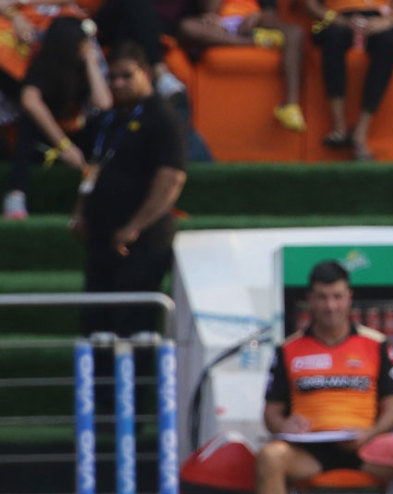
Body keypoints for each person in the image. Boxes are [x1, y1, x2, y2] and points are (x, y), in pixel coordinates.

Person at [257, 261, 393, 494]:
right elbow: (270, 413)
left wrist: (370, 433)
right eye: (322, 297)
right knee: (269, 457)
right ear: (310, 299)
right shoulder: (287, 349)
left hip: (366, 448)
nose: (330, 306)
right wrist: (285, 425)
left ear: (349, 297)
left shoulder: (376, 344)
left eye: (337, 297)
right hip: (308, 454)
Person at [74, 41, 184, 336]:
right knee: (96, 326)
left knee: (132, 325)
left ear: (145, 73)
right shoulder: (108, 119)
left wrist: (135, 226)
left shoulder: (163, 118)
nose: (118, 83)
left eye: (127, 75)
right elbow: (94, 166)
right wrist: (81, 209)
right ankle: (101, 370)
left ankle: (136, 370)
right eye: (112, 77)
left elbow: (171, 179)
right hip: (102, 237)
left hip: (142, 242)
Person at [3, 16, 110, 220]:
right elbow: (30, 101)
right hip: (46, 141)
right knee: (28, 124)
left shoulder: (83, 69)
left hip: (76, 137)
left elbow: (103, 103)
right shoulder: (44, 65)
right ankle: (16, 196)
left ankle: (103, 194)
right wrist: (64, 145)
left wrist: (91, 62)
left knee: (105, 122)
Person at [303, 0, 393, 161]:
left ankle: (360, 133)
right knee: (332, 38)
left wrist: (386, 21)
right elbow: (311, 4)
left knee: (388, 44)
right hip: (337, 18)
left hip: (378, 19)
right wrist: (338, 20)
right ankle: (339, 128)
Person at [176, 0, 305, 131]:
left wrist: (258, 16)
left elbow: (271, 11)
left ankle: (290, 106)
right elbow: (209, 9)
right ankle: (257, 41)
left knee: (295, 32)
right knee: (186, 27)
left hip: (254, 22)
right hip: (219, 26)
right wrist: (212, 17)